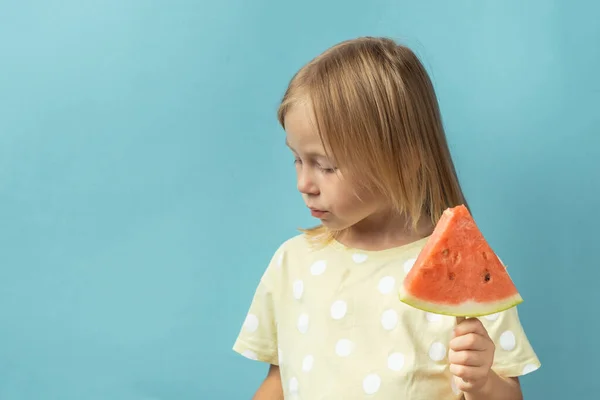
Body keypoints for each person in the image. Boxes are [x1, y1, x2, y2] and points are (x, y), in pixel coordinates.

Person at [232, 36, 541, 399]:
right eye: (297, 159)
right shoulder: (292, 263)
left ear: (406, 162)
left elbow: (509, 395)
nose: (304, 183)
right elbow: (279, 381)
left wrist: (483, 381)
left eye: (326, 166)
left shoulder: (468, 271)